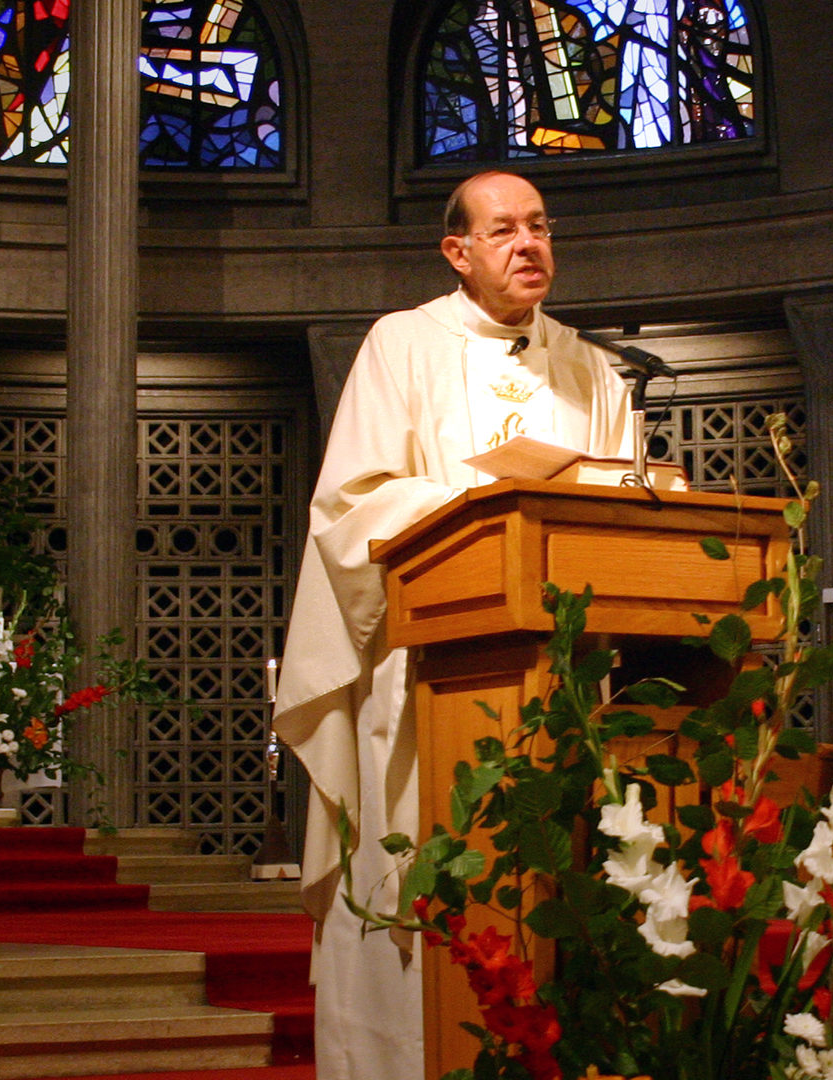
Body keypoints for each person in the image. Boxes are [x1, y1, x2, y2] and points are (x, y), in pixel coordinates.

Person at [272, 170, 633, 1080]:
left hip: (562, 685)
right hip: (433, 671)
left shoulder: (594, 369)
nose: (529, 244)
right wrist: (486, 497)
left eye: (542, 226)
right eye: (505, 229)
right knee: (416, 886)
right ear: (458, 251)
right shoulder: (402, 346)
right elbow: (352, 506)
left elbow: (624, 509)